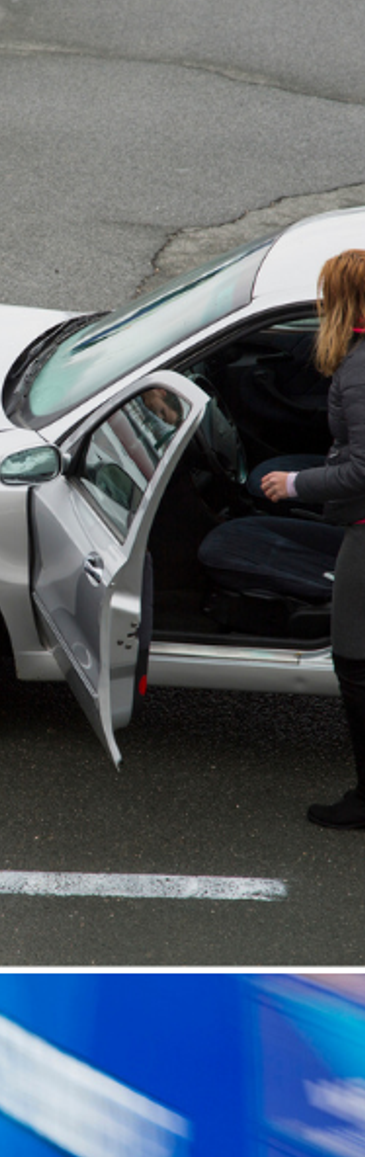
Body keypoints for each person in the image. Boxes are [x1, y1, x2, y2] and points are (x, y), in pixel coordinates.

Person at [260, 248, 365, 828]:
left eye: (328, 294)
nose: (320, 303)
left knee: (353, 661)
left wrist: (296, 483)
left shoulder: (359, 368)